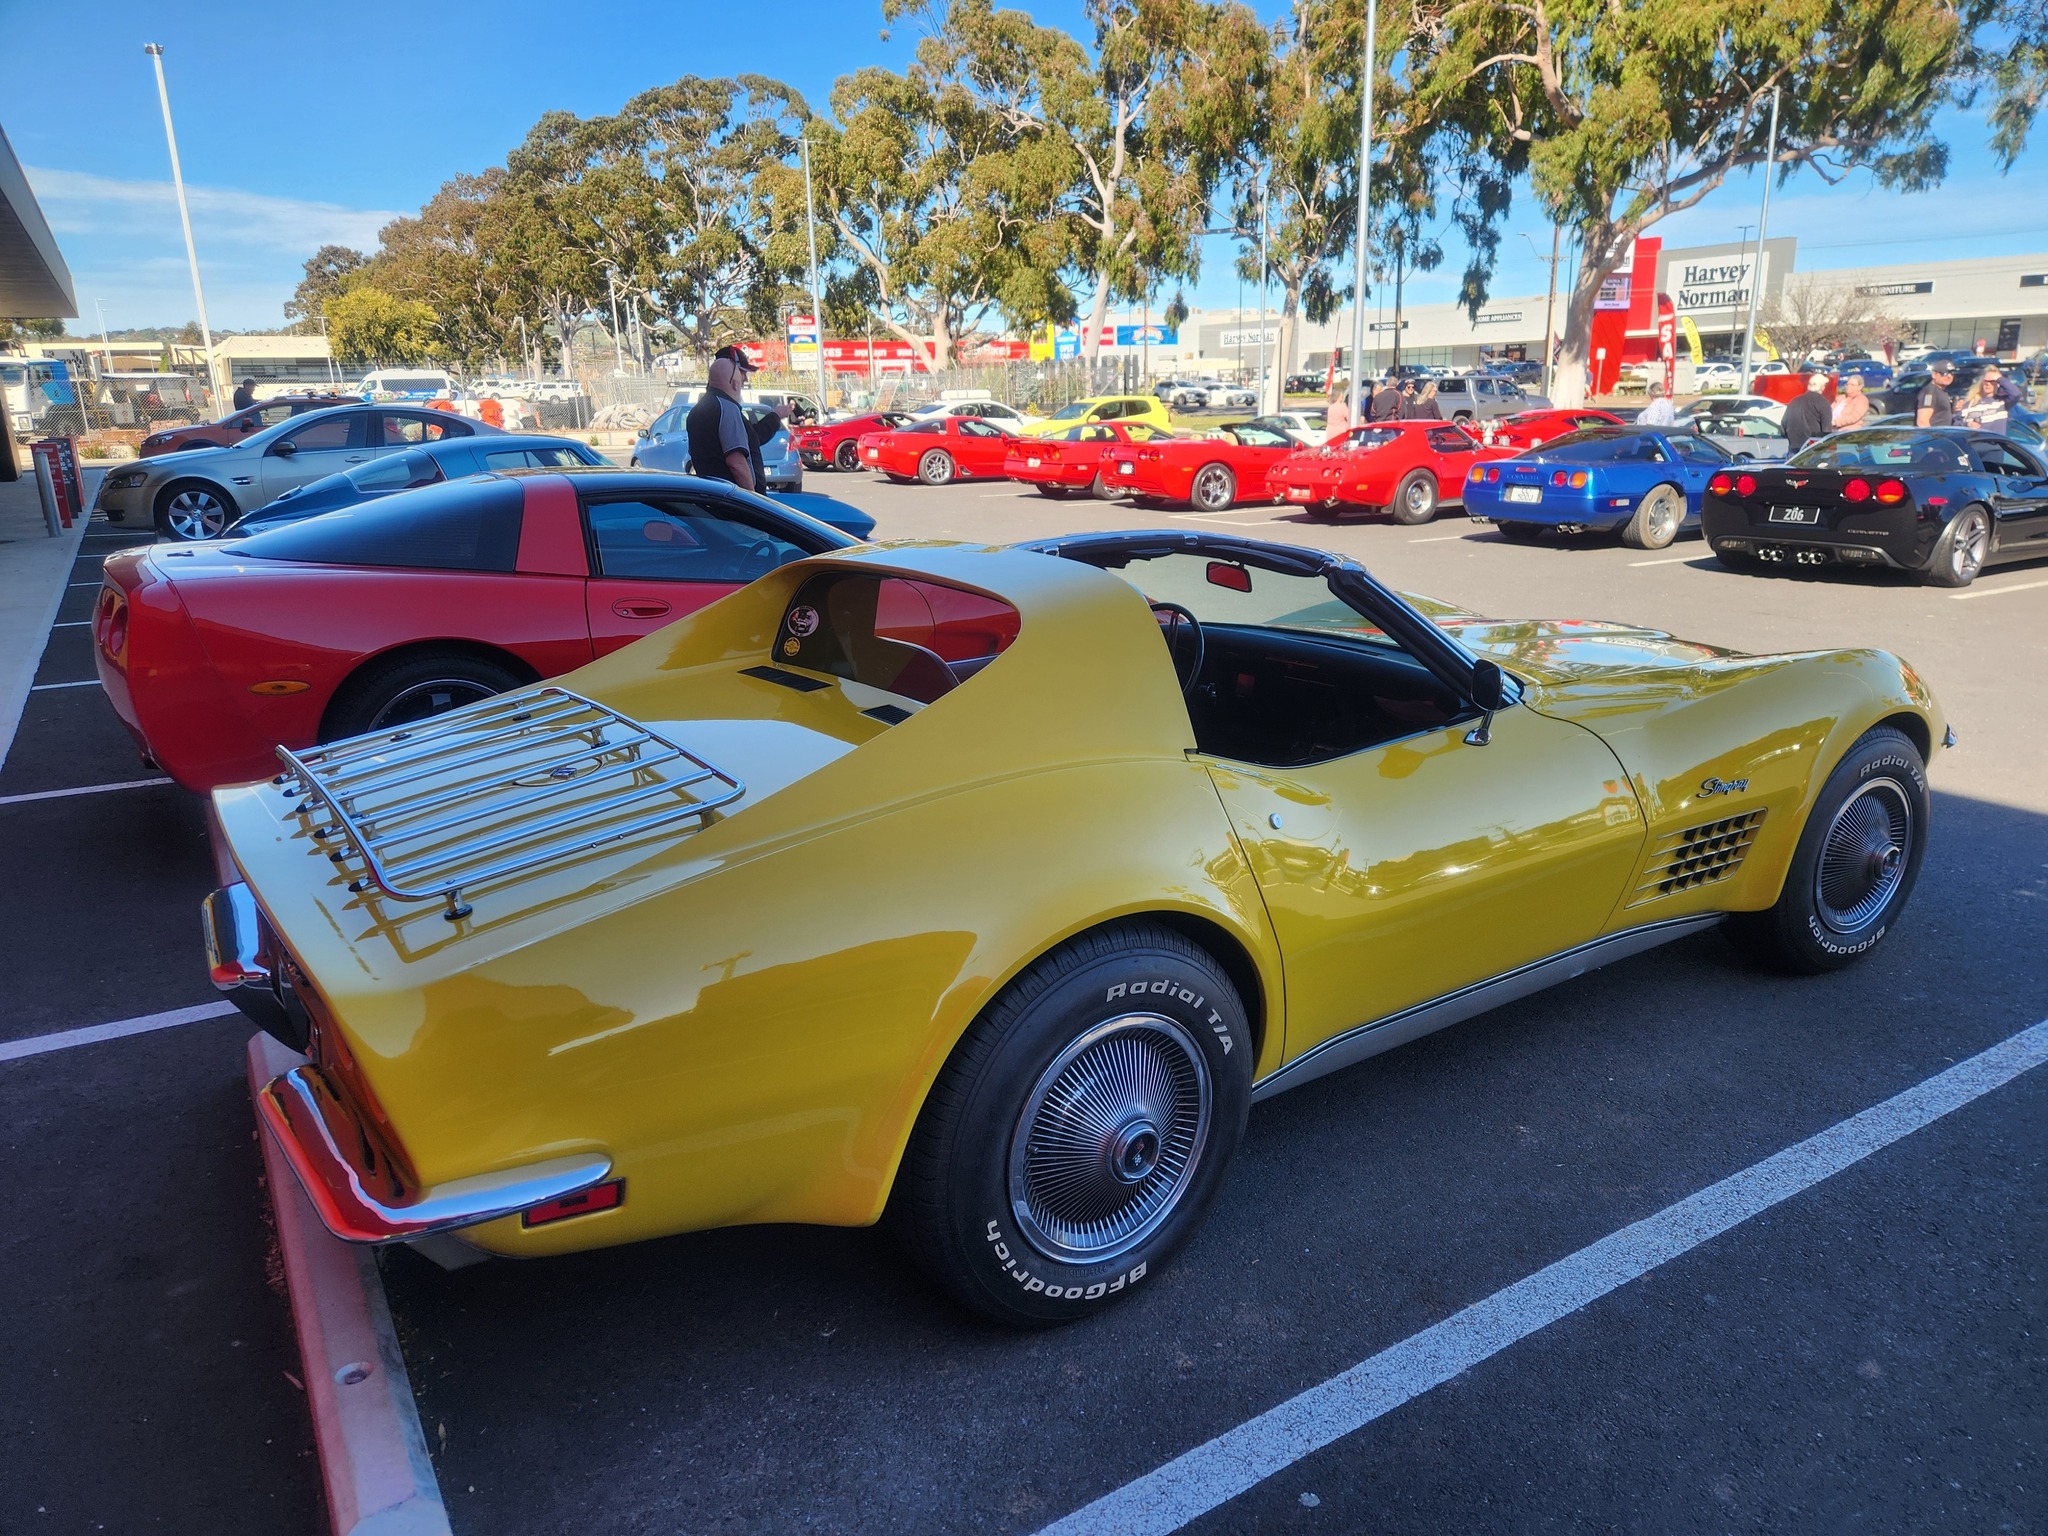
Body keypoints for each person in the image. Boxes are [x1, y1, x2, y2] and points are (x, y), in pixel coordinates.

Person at [687, 350, 757, 490]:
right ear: (735, 384)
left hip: (709, 492)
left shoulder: (696, 411)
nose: (744, 382)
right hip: (731, 495)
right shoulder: (728, 408)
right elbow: (736, 464)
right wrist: (753, 497)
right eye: (741, 379)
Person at [1780, 373, 1834, 453]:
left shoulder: (1794, 401)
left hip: (1794, 449)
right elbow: (1827, 431)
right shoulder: (1823, 403)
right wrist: (1830, 451)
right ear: (1822, 387)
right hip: (1812, 449)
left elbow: (1783, 426)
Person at [1915, 359, 1955, 427]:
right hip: (1935, 433)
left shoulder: (1942, 391)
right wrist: (1931, 433)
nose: (1949, 376)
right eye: (1944, 373)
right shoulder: (1929, 392)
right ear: (1934, 374)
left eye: (1952, 373)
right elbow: (1922, 422)